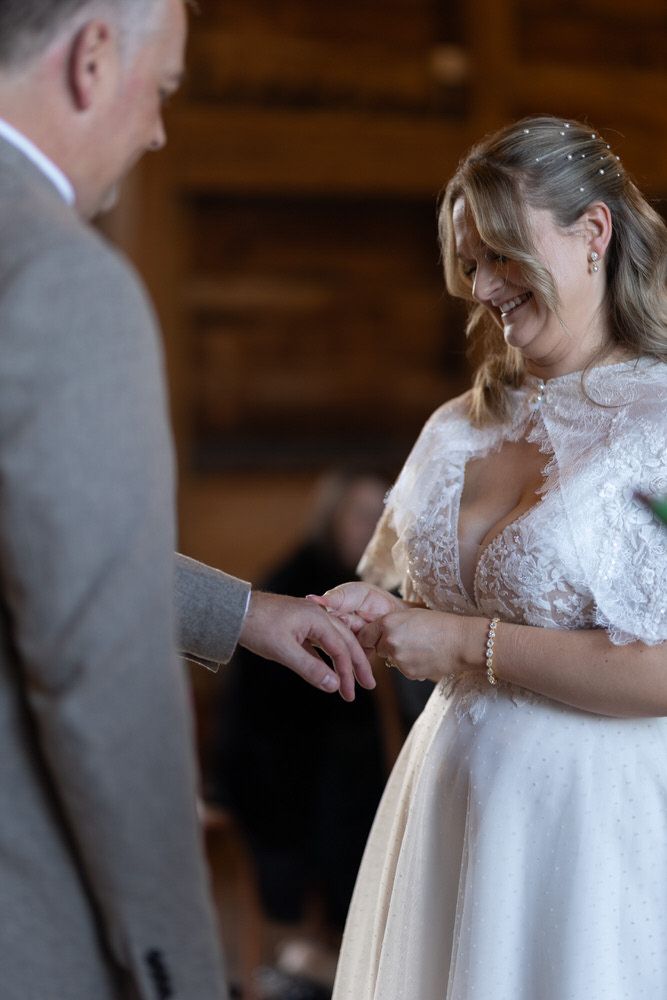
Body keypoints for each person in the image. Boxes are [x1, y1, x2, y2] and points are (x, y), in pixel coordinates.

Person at [0, 2, 373, 999]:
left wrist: (243, 613)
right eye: (160, 88)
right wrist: (182, 959)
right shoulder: (64, 282)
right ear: (90, 59)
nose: (159, 129)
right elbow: (99, 667)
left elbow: (27, 536)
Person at [311, 115, 667, 999]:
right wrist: (376, 618)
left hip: (586, 827)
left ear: (593, 232)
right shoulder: (454, 427)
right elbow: (405, 596)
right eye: (469, 263)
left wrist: (469, 646)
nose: (481, 286)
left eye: (502, 254)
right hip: (447, 807)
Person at [210, 471, 390, 996]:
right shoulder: (294, 584)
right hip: (276, 776)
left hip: (331, 769)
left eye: (383, 518)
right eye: (361, 515)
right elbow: (262, 725)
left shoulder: (387, 594)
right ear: (330, 517)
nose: (373, 529)